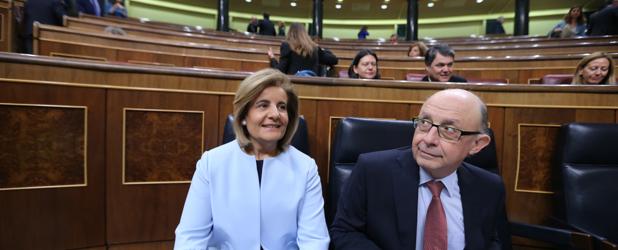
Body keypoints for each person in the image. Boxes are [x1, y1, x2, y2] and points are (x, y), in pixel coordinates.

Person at [330, 88, 511, 250]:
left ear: (477, 144)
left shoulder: (489, 187)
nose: (428, 139)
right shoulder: (372, 171)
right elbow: (344, 231)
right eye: (425, 123)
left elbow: (492, 242)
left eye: (448, 129)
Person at [174, 68, 330, 249]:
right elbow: (191, 237)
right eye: (263, 105)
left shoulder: (306, 167)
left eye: (282, 107)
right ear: (243, 116)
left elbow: (314, 240)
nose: (275, 114)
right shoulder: (211, 163)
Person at [268, 23, 338, 77]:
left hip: (295, 85)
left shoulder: (287, 45)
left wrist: (272, 58)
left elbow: (280, 72)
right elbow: (334, 60)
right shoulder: (314, 48)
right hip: (313, 87)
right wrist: (322, 49)